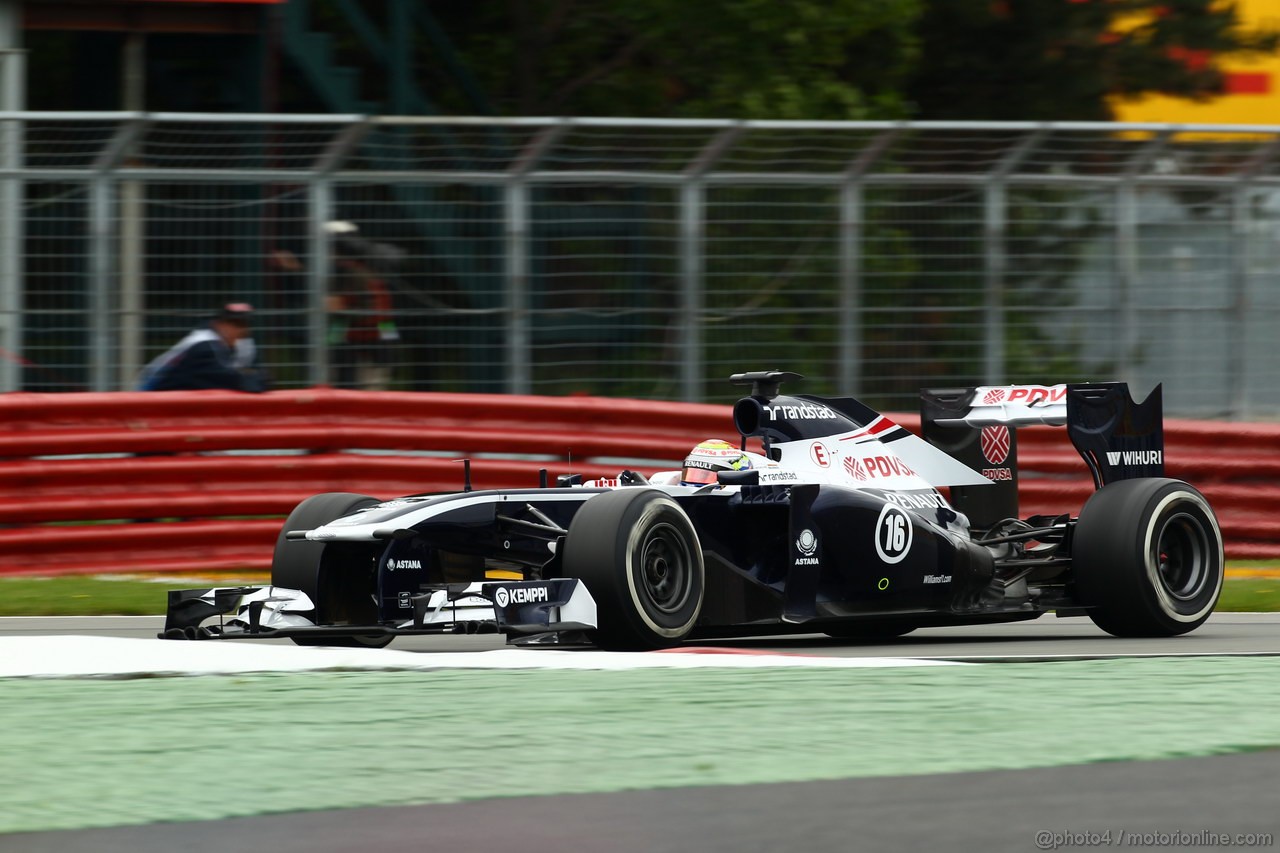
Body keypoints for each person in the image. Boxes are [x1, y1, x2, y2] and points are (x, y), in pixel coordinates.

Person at [325, 221, 402, 390]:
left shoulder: (349, 270)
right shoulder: (369, 267)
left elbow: (340, 310)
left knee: (359, 380)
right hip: (378, 328)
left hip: (364, 332)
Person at [136, 302, 268, 392]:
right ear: (218, 324)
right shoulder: (203, 345)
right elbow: (232, 380)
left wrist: (251, 378)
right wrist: (249, 377)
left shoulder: (244, 345)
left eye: (243, 324)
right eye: (233, 323)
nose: (239, 330)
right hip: (154, 393)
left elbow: (262, 377)